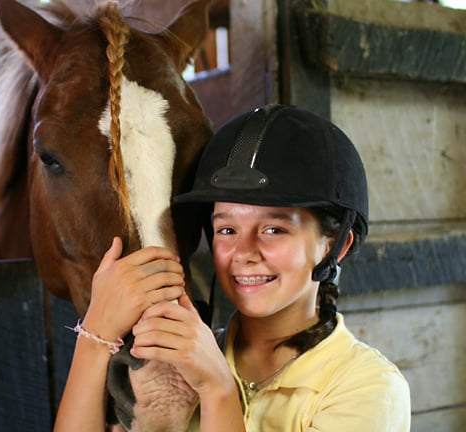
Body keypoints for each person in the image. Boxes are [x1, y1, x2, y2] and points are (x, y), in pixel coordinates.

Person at [54, 104, 411, 431]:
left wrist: (217, 389)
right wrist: (96, 333)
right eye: (227, 229)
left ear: (334, 245)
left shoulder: (368, 387)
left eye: (274, 229)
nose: (244, 252)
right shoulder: (177, 361)